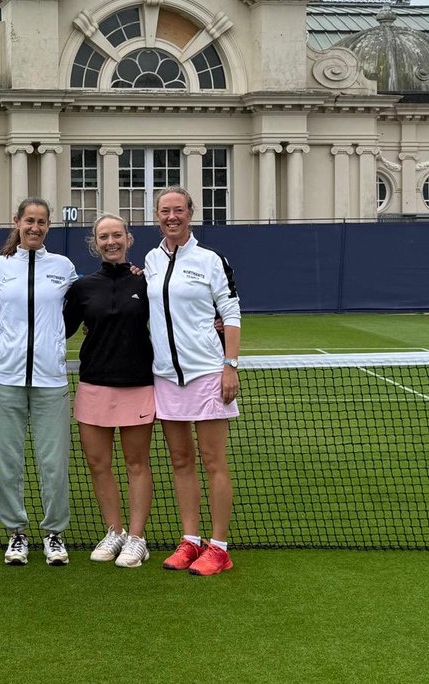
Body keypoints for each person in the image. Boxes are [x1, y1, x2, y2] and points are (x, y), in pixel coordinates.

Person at [144, 185, 241, 576]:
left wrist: (230, 364)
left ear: (190, 213)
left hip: (206, 374)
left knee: (213, 460)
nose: (172, 217)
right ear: (157, 216)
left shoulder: (211, 259)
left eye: (178, 210)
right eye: (165, 211)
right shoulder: (149, 260)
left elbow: (231, 312)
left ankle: (219, 547)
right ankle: (190, 540)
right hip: (165, 377)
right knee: (180, 460)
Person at [0, 198, 78, 566]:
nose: (35, 227)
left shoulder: (63, 267)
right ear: (17, 222)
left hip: (51, 381)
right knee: (8, 461)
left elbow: (79, 305)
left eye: (41, 222)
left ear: (48, 226)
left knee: (53, 462)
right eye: (29, 221)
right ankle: (17, 534)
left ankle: (54, 533)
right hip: (6, 379)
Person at [63, 213, 155, 568]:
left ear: (129, 239)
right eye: (104, 236)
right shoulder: (83, 288)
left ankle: (136, 538)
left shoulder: (146, 283)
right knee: (98, 464)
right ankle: (113, 531)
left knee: (136, 464)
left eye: (117, 235)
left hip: (137, 384)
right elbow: (60, 329)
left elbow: (178, 315)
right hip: (94, 385)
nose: (111, 241)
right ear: (95, 243)